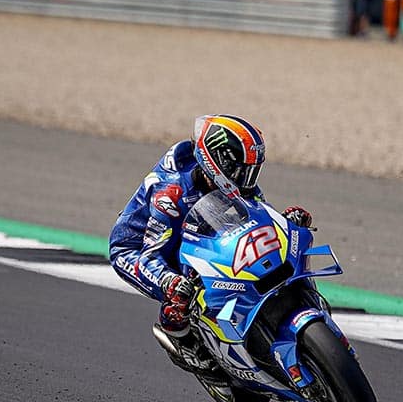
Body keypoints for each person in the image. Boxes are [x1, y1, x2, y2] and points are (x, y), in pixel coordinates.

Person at [109, 114, 313, 381]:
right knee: (182, 292)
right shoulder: (170, 195)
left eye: (252, 170)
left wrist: (285, 222)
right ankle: (187, 346)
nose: (247, 178)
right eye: (241, 170)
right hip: (138, 249)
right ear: (217, 163)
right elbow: (152, 255)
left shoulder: (227, 178)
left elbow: (256, 213)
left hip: (193, 227)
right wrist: (169, 280)